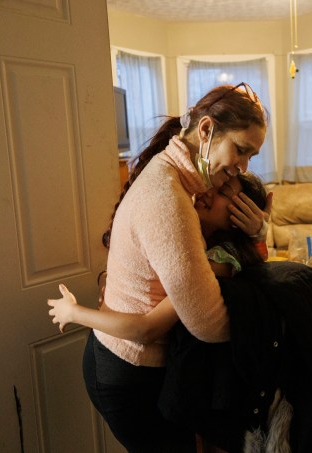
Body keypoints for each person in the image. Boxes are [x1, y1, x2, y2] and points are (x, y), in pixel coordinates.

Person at [68, 83, 269, 453]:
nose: (242, 167)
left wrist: (258, 232)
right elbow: (208, 324)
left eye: (251, 157)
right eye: (240, 150)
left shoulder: (186, 183)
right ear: (206, 130)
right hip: (127, 371)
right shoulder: (169, 198)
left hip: (133, 362)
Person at [48, 171, 268, 342]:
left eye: (223, 192)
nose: (207, 191)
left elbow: (146, 328)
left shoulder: (218, 262)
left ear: (241, 214)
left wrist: (73, 313)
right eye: (211, 184)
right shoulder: (190, 230)